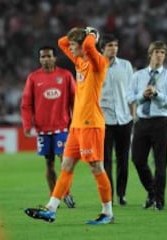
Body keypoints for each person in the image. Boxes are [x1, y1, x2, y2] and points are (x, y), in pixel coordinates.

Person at [24, 27, 114, 224]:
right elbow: (61, 42)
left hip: (92, 124)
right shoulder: (80, 62)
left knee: (96, 167)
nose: (70, 49)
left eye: (75, 46)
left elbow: (89, 44)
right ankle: (51, 209)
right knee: (66, 165)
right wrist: (80, 33)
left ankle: (107, 212)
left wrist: (91, 34)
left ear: (84, 46)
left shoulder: (98, 63)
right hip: (76, 126)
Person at [127, 41, 167, 211]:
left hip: (160, 123)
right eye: (157, 51)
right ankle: (152, 191)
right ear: (150, 54)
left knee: (160, 164)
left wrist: (158, 95)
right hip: (142, 122)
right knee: (137, 160)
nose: (160, 55)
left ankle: (159, 200)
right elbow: (129, 98)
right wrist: (142, 96)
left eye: (163, 52)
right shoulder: (138, 76)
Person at [21, 45, 76, 208]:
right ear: (39, 59)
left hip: (62, 127)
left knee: (64, 162)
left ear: (54, 58)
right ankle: (54, 197)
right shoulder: (33, 78)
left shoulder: (65, 76)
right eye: (42, 57)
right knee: (49, 163)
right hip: (42, 129)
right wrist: (27, 124)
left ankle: (66, 194)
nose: (45, 59)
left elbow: (75, 100)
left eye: (48, 56)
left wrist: (75, 121)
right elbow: (26, 103)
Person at [99, 34, 134, 206]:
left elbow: (131, 92)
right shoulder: (95, 66)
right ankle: (109, 196)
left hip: (124, 119)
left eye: (116, 45)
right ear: (102, 48)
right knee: (105, 161)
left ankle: (121, 194)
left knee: (123, 159)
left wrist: (133, 115)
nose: (114, 48)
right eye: (110, 45)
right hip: (104, 120)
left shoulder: (126, 66)